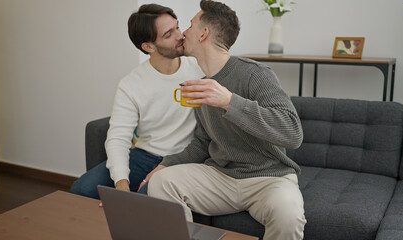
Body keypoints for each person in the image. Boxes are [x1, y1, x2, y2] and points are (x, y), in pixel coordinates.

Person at [141, 1, 306, 239]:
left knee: (288, 214)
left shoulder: (255, 74)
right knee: (161, 182)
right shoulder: (201, 83)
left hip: (269, 178)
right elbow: (202, 141)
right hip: (221, 178)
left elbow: (292, 132)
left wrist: (229, 101)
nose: (183, 33)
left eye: (190, 25)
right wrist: (166, 164)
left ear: (204, 33)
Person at [70, 4, 204, 199]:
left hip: (183, 158)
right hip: (144, 156)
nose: (180, 35)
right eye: (168, 34)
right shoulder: (131, 84)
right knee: (81, 190)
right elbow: (118, 137)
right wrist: (121, 186)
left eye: (177, 27)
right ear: (148, 46)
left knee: (147, 196)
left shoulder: (199, 70)